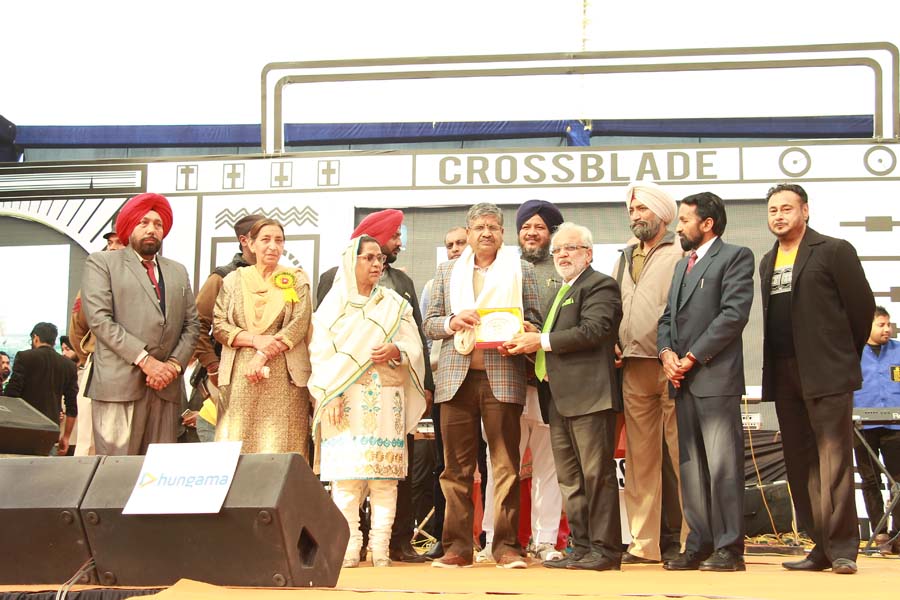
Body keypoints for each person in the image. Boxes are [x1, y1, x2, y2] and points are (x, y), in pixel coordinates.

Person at [760, 183, 875, 575]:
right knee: (800, 463)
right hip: (784, 373)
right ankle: (819, 547)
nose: (779, 216)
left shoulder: (834, 251)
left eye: (786, 208)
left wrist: (840, 355)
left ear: (805, 211)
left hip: (827, 371)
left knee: (834, 461)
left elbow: (862, 310)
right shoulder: (767, 260)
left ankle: (842, 549)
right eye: (773, 210)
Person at [424, 202, 541, 569]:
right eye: (479, 227)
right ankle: (458, 548)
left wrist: (524, 331)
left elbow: (535, 322)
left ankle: (506, 547)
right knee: (455, 469)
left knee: (505, 465)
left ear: (502, 234)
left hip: (502, 376)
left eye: (493, 227)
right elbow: (430, 323)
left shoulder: (520, 269)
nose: (486, 233)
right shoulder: (446, 271)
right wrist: (452, 321)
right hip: (455, 379)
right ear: (469, 233)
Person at [317, 209, 434, 563]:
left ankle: (381, 549)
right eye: (368, 258)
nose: (376, 264)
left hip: (385, 397)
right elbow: (319, 352)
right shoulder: (332, 305)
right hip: (343, 399)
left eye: (379, 259)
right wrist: (329, 394)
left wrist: (397, 350)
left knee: (385, 480)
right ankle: (349, 548)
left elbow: (415, 345)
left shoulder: (394, 304)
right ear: (351, 261)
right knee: (347, 480)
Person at [506, 222, 623, 571]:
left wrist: (540, 340)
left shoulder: (600, 284)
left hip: (590, 396)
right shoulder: (562, 290)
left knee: (595, 476)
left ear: (589, 253)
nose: (562, 255)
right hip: (558, 397)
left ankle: (605, 550)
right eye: (557, 250)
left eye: (570, 248)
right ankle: (582, 547)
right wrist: (536, 333)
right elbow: (559, 336)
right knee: (570, 479)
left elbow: (594, 330)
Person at [657, 192, 754, 572]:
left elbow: (733, 315)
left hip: (715, 378)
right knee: (692, 467)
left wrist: (692, 357)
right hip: (682, 380)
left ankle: (729, 548)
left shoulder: (735, 257)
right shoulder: (682, 265)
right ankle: (699, 544)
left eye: (684, 220)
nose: (678, 227)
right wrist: (667, 354)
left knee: (723, 466)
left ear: (707, 223)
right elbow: (668, 318)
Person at [81, 192, 201, 455]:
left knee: (158, 471)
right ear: (129, 226)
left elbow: (192, 325)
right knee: (117, 470)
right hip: (119, 387)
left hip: (165, 388)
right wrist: (147, 362)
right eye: (143, 222)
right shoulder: (102, 263)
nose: (151, 229)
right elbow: (100, 320)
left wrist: (172, 366)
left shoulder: (177, 270)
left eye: (158, 224)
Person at [479, 200, 565, 563]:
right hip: (508, 380)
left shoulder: (562, 272)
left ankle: (545, 540)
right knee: (500, 464)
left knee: (549, 466)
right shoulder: (503, 269)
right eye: (526, 227)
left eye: (539, 228)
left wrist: (536, 330)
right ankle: (493, 539)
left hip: (550, 383)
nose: (532, 233)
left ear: (552, 234)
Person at [613, 181, 687, 564]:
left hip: (674, 366)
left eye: (643, 208)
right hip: (633, 366)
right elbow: (614, 305)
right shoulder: (625, 256)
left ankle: (693, 542)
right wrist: (612, 340)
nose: (636, 216)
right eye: (632, 210)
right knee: (640, 461)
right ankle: (644, 545)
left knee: (683, 456)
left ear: (663, 214)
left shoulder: (682, 250)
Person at [212, 218, 312, 454]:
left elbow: (299, 324)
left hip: (284, 377)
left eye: (279, 240)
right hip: (241, 375)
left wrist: (262, 355)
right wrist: (255, 340)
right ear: (251, 244)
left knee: (282, 447)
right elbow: (219, 325)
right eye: (265, 239)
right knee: (237, 447)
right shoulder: (233, 280)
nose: (273, 246)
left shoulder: (296, 278)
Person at [189, 214, 265, 443]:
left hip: (265, 375)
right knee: (227, 443)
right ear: (245, 241)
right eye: (262, 237)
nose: (270, 244)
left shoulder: (281, 277)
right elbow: (197, 324)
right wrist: (213, 367)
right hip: (227, 374)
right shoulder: (222, 277)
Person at [418, 225, 469, 560]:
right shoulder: (434, 283)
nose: (454, 249)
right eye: (449, 244)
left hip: (488, 380)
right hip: (446, 381)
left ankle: (487, 536)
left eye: (460, 243)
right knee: (445, 463)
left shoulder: (492, 280)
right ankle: (444, 536)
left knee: (487, 463)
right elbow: (427, 333)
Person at [853, 306, 900, 552]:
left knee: (898, 481)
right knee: (870, 480)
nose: (886, 329)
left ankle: (897, 534)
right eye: (881, 325)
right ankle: (879, 533)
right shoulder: (853, 352)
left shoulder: (898, 350)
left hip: (895, 426)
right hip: (862, 427)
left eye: (888, 324)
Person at [2, 322, 79, 454]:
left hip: (23, 428)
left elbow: (11, 395)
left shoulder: (24, 357)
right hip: (51, 432)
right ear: (54, 341)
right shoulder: (69, 365)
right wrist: (66, 437)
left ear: (36, 338)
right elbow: (72, 405)